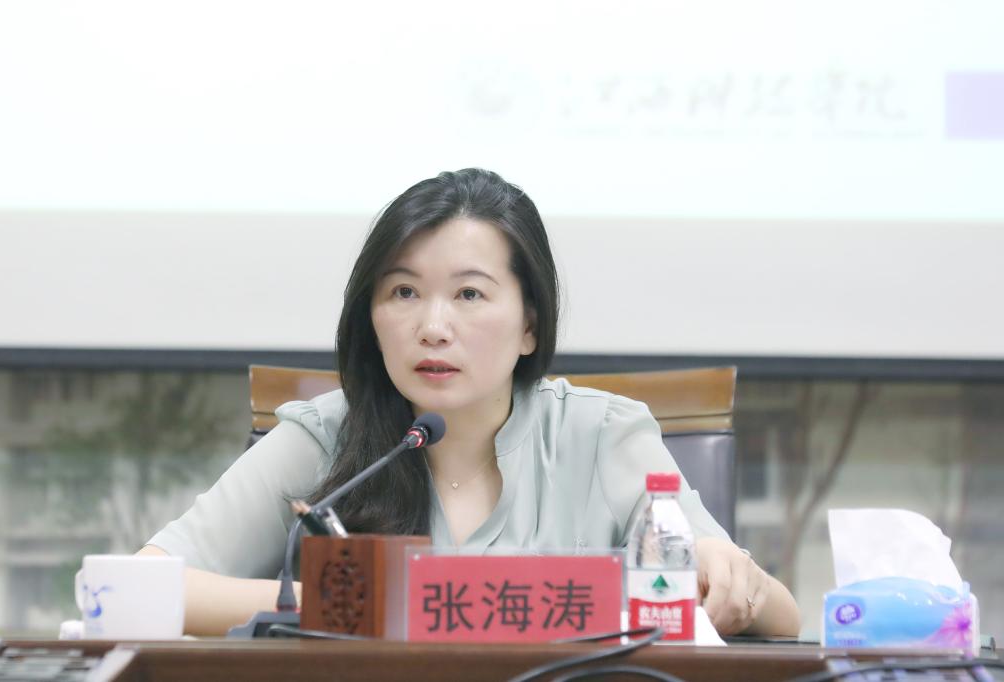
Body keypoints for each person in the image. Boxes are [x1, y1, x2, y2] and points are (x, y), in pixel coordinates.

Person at [140, 168, 800, 637]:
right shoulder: (325, 436)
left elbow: (779, 615)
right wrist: (349, 604)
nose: (433, 327)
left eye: (469, 295)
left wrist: (728, 575)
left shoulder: (603, 433)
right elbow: (143, 586)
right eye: (403, 292)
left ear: (530, 324)